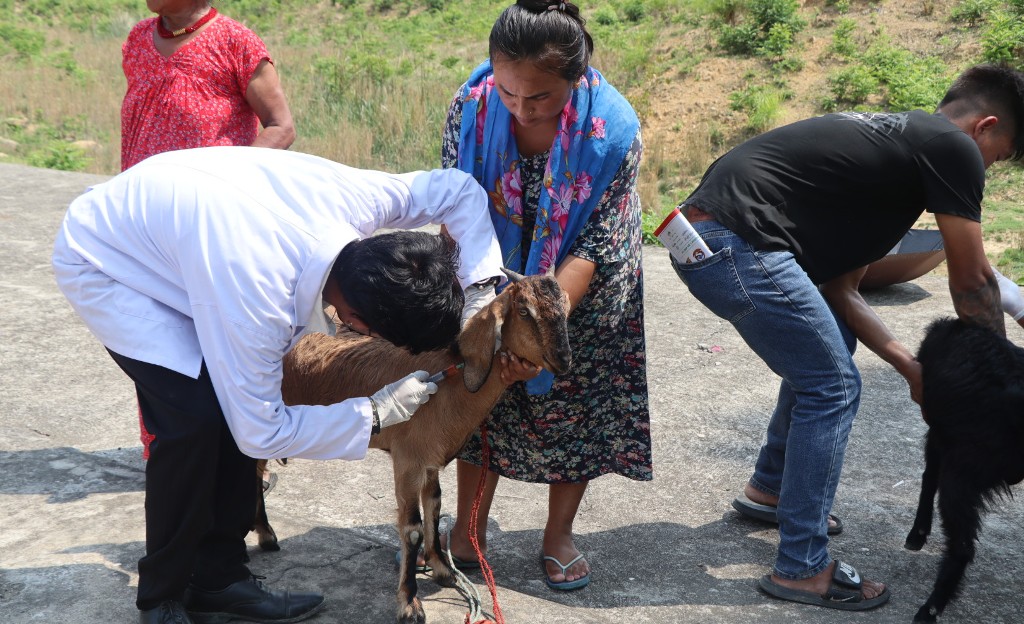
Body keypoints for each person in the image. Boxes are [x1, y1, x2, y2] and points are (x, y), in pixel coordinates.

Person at [51, 146, 505, 624]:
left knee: (221, 409)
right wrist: (374, 413)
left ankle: (219, 579)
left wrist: (477, 294)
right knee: (195, 421)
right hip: (108, 259)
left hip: (185, 224)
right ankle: (161, 597)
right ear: (358, 323)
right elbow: (260, 431)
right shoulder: (260, 300)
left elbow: (460, 191)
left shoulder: (359, 201)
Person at [670, 62, 1024, 612]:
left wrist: (912, 368)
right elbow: (974, 282)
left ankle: (769, 489)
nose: (988, 169)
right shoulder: (950, 145)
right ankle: (802, 568)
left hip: (706, 241)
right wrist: (996, 386)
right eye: (998, 156)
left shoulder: (891, 161)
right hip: (735, 241)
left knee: (830, 346)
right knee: (831, 385)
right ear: (985, 126)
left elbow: (843, 292)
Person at [433, 0, 652, 591]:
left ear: (574, 81)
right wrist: (488, 318)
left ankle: (558, 533)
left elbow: (594, 245)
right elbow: (458, 208)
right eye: (508, 92)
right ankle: (467, 529)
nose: (520, 109)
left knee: (574, 410)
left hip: (582, 288)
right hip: (492, 269)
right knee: (481, 395)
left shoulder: (613, 130)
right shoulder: (471, 107)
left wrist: (536, 335)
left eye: (540, 99)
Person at [122, 0, 296, 463]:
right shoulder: (139, 40)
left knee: (214, 338)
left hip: (208, 225)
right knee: (151, 333)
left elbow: (281, 126)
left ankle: (236, 449)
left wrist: (228, 183)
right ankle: (161, 445)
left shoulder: (237, 43)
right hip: (144, 224)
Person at [121, 0, 295, 171]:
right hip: (141, 194)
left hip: (208, 196)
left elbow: (281, 128)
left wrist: (233, 178)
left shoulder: (236, 42)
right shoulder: (139, 36)